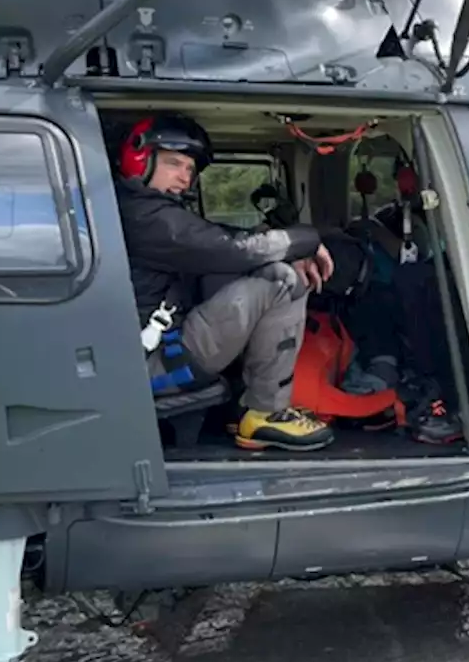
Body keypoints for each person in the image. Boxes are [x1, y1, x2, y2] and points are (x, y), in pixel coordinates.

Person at [114, 112, 337, 453]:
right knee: (281, 281)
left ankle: (250, 407)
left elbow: (216, 242)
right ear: (140, 158)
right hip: (152, 366)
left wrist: (281, 244)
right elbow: (232, 250)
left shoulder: (143, 209)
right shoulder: (146, 217)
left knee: (258, 270)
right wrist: (306, 241)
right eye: (174, 164)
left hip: (153, 350)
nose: (185, 178)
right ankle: (266, 412)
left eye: (190, 170)